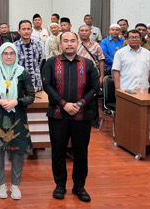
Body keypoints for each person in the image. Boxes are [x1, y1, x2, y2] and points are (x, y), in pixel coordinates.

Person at [42, 32, 100, 203]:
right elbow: (47, 86)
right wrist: (63, 103)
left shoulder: (88, 64)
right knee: (58, 151)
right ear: (60, 44)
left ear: (77, 43)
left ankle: (79, 186)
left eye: (72, 41)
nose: (69, 44)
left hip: (82, 115)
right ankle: (60, 185)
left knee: (81, 152)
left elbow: (95, 87)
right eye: (65, 41)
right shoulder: (51, 63)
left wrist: (80, 103)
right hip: (58, 114)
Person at [0, 43, 35, 200]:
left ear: (16, 55)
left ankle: (15, 185)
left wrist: (17, 101)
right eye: (5, 53)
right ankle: (1, 185)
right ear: (0, 55)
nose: (9, 56)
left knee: (18, 152)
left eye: (12, 53)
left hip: (17, 117)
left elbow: (31, 95)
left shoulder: (22, 72)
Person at [14, 20, 44, 92]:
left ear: (31, 30)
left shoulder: (38, 44)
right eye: (23, 29)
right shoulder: (14, 46)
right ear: (19, 31)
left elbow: (40, 61)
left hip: (36, 83)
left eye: (28, 29)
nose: (26, 31)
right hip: (20, 84)